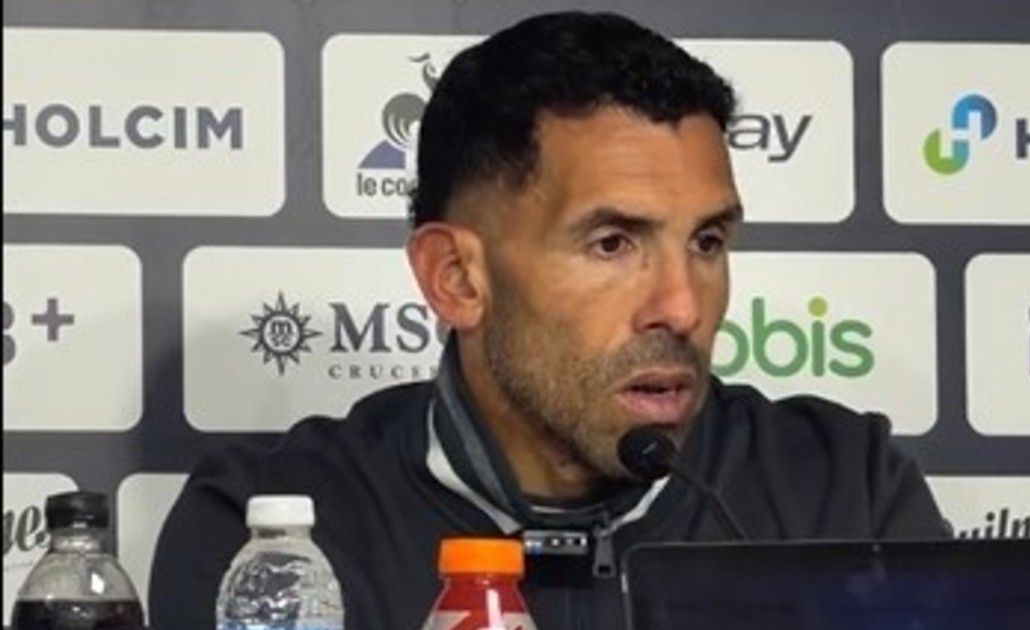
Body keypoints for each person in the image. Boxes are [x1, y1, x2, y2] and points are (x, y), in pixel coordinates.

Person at [150, 11, 948, 630]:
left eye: (707, 241)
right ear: (457, 279)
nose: (681, 306)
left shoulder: (844, 493)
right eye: (612, 243)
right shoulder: (272, 535)